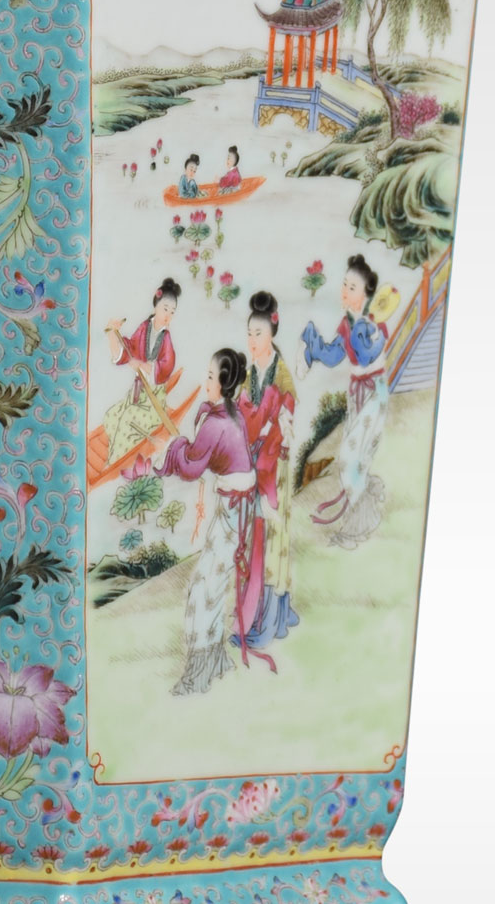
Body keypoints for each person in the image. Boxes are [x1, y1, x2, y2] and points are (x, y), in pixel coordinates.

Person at [156, 348, 262, 695]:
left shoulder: (217, 423)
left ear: (223, 384)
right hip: (238, 507)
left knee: (203, 590)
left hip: (233, 510)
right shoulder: (231, 415)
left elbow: (191, 467)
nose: (206, 381)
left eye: (211, 376)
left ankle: (198, 672)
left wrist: (176, 447)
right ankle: (214, 661)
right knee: (213, 586)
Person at [298, 255, 396, 549]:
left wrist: (362, 328)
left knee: (350, 457)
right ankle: (366, 498)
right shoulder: (348, 323)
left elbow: (366, 354)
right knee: (355, 455)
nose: (344, 291)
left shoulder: (372, 325)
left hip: (373, 393)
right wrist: (311, 348)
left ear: (366, 294)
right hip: (357, 394)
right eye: (344, 285)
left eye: (352, 287)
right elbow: (333, 356)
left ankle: (360, 523)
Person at [235, 291, 300, 658]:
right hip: (255, 460)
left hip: (275, 463)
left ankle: (271, 620)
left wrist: (268, 435)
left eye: (258, 334)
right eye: (249, 334)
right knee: (254, 540)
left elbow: (285, 416)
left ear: (271, 333)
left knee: (274, 539)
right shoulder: (249, 374)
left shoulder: (281, 373)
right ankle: (252, 617)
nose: (252, 340)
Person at [101, 279, 180, 466]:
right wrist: (112, 334)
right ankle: (116, 455)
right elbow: (130, 349)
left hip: (153, 398)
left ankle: (113, 463)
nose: (168, 315)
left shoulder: (166, 338)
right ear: (156, 306)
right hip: (137, 393)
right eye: (165, 308)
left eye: (172, 311)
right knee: (111, 417)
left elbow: (166, 366)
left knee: (127, 420)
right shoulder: (145, 327)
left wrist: (142, 366)